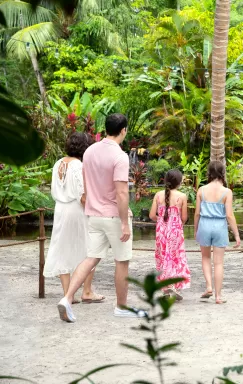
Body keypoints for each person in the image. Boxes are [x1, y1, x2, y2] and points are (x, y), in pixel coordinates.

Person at [57, 113, 145, 323]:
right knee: (122, 260)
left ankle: (67, 298)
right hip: (113, 215)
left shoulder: (89, 152)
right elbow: (122, 193)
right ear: (123, 130)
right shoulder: (120, 156)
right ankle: (121, 306)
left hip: (93, 214)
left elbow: (86, 186)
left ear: (106, 128)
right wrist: (124, 222)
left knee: (91, 258)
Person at [44, 132, 105, 304]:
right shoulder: (79, 165)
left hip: (60, 209)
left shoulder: (58, 163)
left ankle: (67, 293)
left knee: (63, 248)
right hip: (76, 211)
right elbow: (82, 195)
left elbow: (54, 189)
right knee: (89, 249)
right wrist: (96, 209)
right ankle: (86, 290)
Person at [194, 161, 240, 304]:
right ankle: (218, 296)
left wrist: (196, 230)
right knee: (219, 263)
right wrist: (237, 235)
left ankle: (208, 286)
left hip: (205, 225)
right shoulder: (227, 192)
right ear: (222, 173)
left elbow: (196, 213)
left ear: (209, 173)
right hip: (219, 226)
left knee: (205, 258)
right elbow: (229, 215)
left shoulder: (201, 190)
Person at [149, 169, 190, 300]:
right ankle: (173, 285)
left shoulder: (158, 195)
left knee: (163, 257)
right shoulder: (182, 196)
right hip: (176, 230)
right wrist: (175, 222)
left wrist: (161, 221)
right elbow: (184, 217)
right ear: (179, 182)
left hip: (161, 231)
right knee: (175, 257)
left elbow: (151, 215)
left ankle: (166, 287)